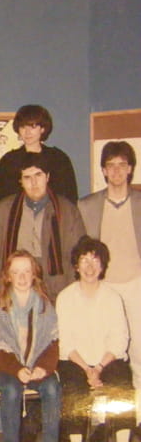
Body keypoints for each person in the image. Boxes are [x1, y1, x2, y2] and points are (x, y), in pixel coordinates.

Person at [56, 237, 135, 442]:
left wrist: (98, 368)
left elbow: (120, 339)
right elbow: (65, 342)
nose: (89, 267)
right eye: (84, 260)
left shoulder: (112, 297)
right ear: (76, 266)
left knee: (122, 383)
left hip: (107, 360)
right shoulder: (65, 297)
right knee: (73, 387)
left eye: (95, 260)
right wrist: (86, 369)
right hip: (76, 361)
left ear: (103, 266)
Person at [78, 141, 141, 424]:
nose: (116, 171)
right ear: (103, 170)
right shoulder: (88, 205)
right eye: (110, 165)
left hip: (136, 285)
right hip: (103, 288)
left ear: (130, 169)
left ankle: (137, 418)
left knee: (138, 353)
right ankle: (102, 421)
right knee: (101, 353)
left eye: (122, 165)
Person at [0, 250, 61, 442]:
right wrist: (17, 369)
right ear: (8, 276)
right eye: (16, 272)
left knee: (52, 387)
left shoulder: (45, 307)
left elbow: (53, 343)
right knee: (11, 389)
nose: (22, 277)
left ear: (34, 274)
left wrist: (42, 368)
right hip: (5, 368)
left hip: (37, 366)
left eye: (27, 271)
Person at [0, 153, 86, 303]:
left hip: (56, 287)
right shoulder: (1, 212)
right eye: (27, 177)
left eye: (38, 175)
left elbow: (78, 256)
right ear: (20, 181)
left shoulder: (67, 211)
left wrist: (73, 292)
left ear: (47, 177)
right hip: (14, 285)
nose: (34, 183)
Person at [0, 104, 78, 202]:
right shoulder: (9, 161)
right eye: (23, 127)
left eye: (33, 126)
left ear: (42, 129)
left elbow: (70, 198)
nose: (27, 132)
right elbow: (2, 199)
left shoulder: (58, 159)